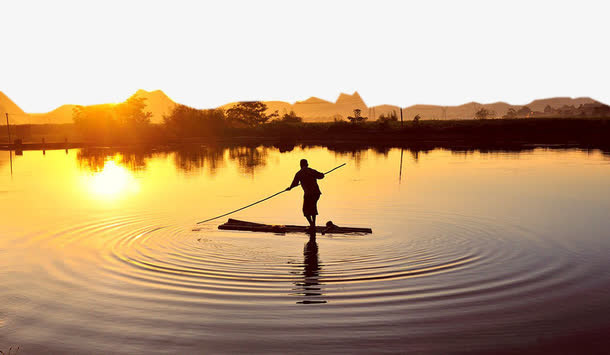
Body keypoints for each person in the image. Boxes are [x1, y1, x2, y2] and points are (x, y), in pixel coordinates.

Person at [286, 159, 324, 231]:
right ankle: (313, 225)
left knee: (306, 211)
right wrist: (322, 174)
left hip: (309, 194)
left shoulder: (299, 173)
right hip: (316, 193)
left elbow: (295, 183)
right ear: (307, 164)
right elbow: (321, 176)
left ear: (300, 165)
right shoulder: (311, 171)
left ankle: (312, 225)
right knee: (313, 208)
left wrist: (290, 188)